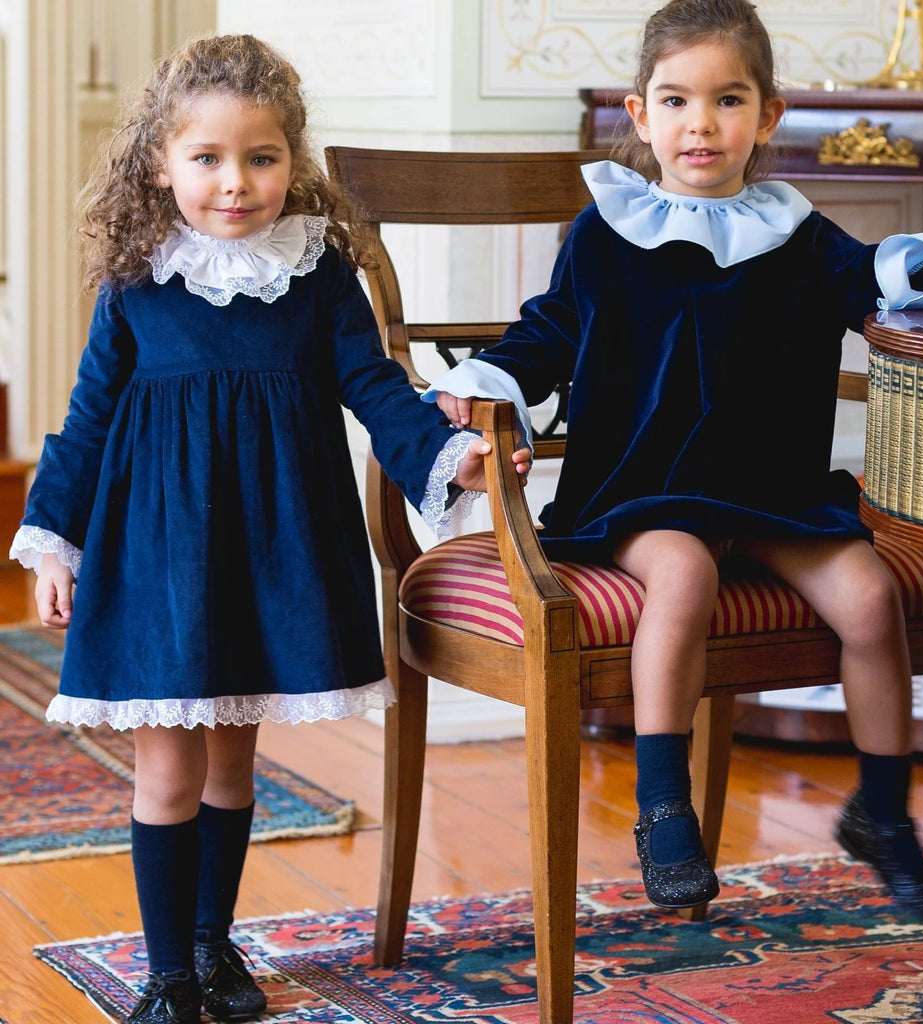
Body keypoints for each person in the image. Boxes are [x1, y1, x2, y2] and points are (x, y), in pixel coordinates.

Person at [427, 0, 923, 925]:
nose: (702, 124)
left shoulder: (795, 234)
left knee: (869, 598)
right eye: (678, 100)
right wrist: (482, 384)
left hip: (771, 493)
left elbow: (872, 273)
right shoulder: (607, 235)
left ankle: (884, 815)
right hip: (644, 495)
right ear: (641, 113)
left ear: (767, 116)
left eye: (729, 100)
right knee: (684, 573)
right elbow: (547, 333)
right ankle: (664, 807)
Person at [10, 34, 513, 1024]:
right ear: (162, 164)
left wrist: (442, 452)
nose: (235, 184)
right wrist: (49, 540)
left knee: (234, 764)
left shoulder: (319, 272)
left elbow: (374, 383)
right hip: (156, 559)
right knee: (166, 767)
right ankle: (167, 979)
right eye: (207, 159)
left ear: (295, 161)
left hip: (268, 547)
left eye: (261, 158)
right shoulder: (137, 278)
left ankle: (211, 943)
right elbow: (86, 419)